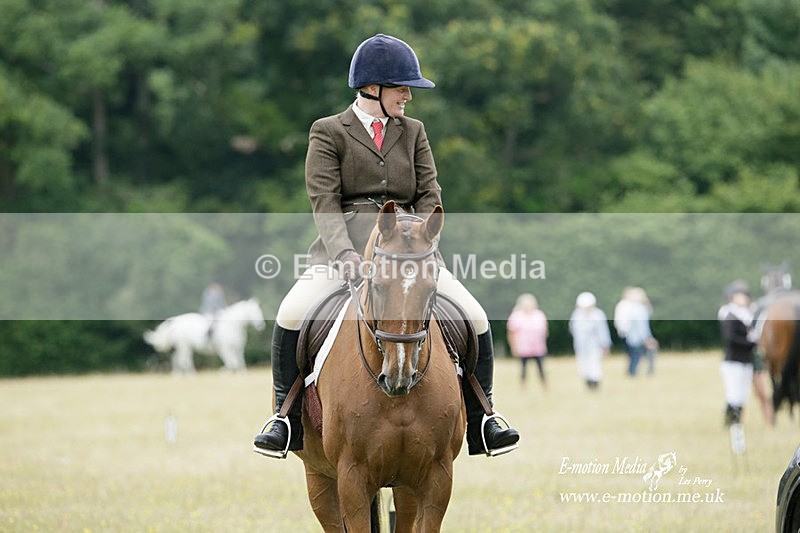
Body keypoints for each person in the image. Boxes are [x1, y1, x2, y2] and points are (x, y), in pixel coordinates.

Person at [253, 34, 519, 457]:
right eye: (401, 88)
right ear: (372, 88)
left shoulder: (413, 132)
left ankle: (484, 416)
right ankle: (283, 420)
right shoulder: (328, 132)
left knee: (475, 314)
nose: (408, 96)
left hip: (410, 254)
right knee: (291, 313)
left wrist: (420, 239)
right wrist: (345, 257)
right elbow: (324, 202)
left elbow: (431, 193)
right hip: (344, 254)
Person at [718, 281, 767, 426]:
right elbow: (732, 339)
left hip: (746, 360)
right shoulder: (729, 314)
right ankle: (731, 424)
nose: (744, 299)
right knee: (734, 395)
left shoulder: (746, 314)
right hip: (733, 360)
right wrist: (752, 343)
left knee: (742, 395)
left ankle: (736, 423)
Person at [569, 292, 611, 390]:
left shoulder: (598, 315)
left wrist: (605, 345)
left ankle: (595, 385)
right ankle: (587, 383)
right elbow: (573, 329)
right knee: (583, 365)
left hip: (595, 346)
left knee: (595, 365)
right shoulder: (577, 315)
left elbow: (603, 331)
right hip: (581, 346)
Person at [506, 293, 548, 389]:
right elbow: (511, 333)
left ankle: (544, 386)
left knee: (541, 369)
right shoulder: (516, 316)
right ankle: (522, 387)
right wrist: (513, 347)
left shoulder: (539, 315)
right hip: (523, 348)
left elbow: (544, 331)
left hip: (538, 347)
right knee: (523, 369)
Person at [613, 287, 657, 376]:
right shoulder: (637, 308)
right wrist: (647, 337)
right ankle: (635, 374)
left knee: (633, 356)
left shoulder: (623, 305)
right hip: (635, 336)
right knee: (636, 356)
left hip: (627, 335)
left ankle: (633, 373)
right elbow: (641, 325)